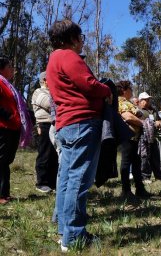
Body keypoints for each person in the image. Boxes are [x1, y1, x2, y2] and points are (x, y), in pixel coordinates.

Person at [46, 19, 112, 251]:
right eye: (81, 38)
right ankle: (74, 237)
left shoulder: (53, 59)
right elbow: (89, 84)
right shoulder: (68, 56)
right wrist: (107, 90)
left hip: (67, 124)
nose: (82, 42)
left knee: (66, 179)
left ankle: (65, 231)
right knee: (78, 180)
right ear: (73, 38)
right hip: (82, 123)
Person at [0, 56, 32, 205]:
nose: (13, 69)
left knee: (5, 161)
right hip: (3, 127)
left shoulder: (8, 85)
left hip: (12, 127)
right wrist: (9, 116)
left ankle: (4, 193)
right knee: (1, 162)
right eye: (9, 66)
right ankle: (1, 195)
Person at [116, 81, 150, 200]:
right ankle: (126, 191)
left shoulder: (127, 102)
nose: (131, 90)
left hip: (133, 137)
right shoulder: (121, 101)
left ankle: (140, 189)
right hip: (127, 137)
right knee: (126, 163)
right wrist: (143, 123)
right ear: (124, 90)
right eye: (130, 88)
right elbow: (128, 116)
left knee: (136, 163)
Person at [31, 71, 59, 193]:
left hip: (54, 125)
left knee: (54, 154)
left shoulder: (52, 92)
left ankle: (52, 183)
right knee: (45, 154)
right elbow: (49, 104)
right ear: (45, 80)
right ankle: (41, 182)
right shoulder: (39, 92)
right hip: (44, 125)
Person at [137, 92, 161, 181]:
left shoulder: (153, 110)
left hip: (153, 137)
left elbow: (159, 120)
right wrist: (151, 123)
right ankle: (145, 177)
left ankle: (158, 177)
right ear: (140, 101)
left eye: (148, 99)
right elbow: (138, 122)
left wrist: (159, 122)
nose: (148, 101)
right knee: (144, 157)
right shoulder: (138, 110)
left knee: (155, 157)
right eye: (145, 99)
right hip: (143, 138)